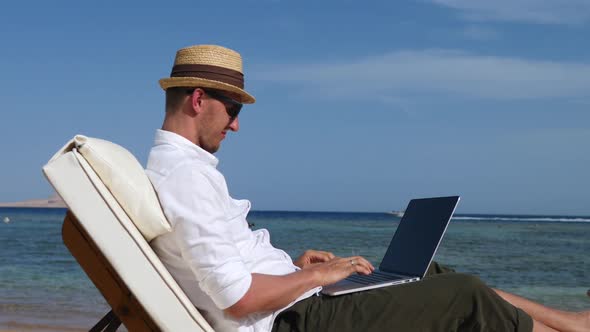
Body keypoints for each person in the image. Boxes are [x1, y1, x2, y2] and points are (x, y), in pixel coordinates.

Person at [146, 45, 589, 332]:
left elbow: (224, 266)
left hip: (296, 303)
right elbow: (237, 299)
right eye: (232, 108)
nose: (237, 124)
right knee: (464, 294)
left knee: (432, 274)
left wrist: (292, 268)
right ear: (199, 100)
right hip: (297, 320)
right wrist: (317, 276)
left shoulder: (182, 170)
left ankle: (571, 323)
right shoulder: (187, 176)